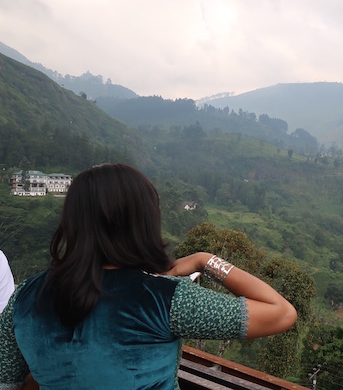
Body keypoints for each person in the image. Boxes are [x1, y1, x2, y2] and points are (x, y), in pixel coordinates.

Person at [0, 163, 297, 389]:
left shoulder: (24, 298)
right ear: (141, 222)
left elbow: (7, 380)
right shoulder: (164, 299)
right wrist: (205, 260)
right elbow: (281, 313)